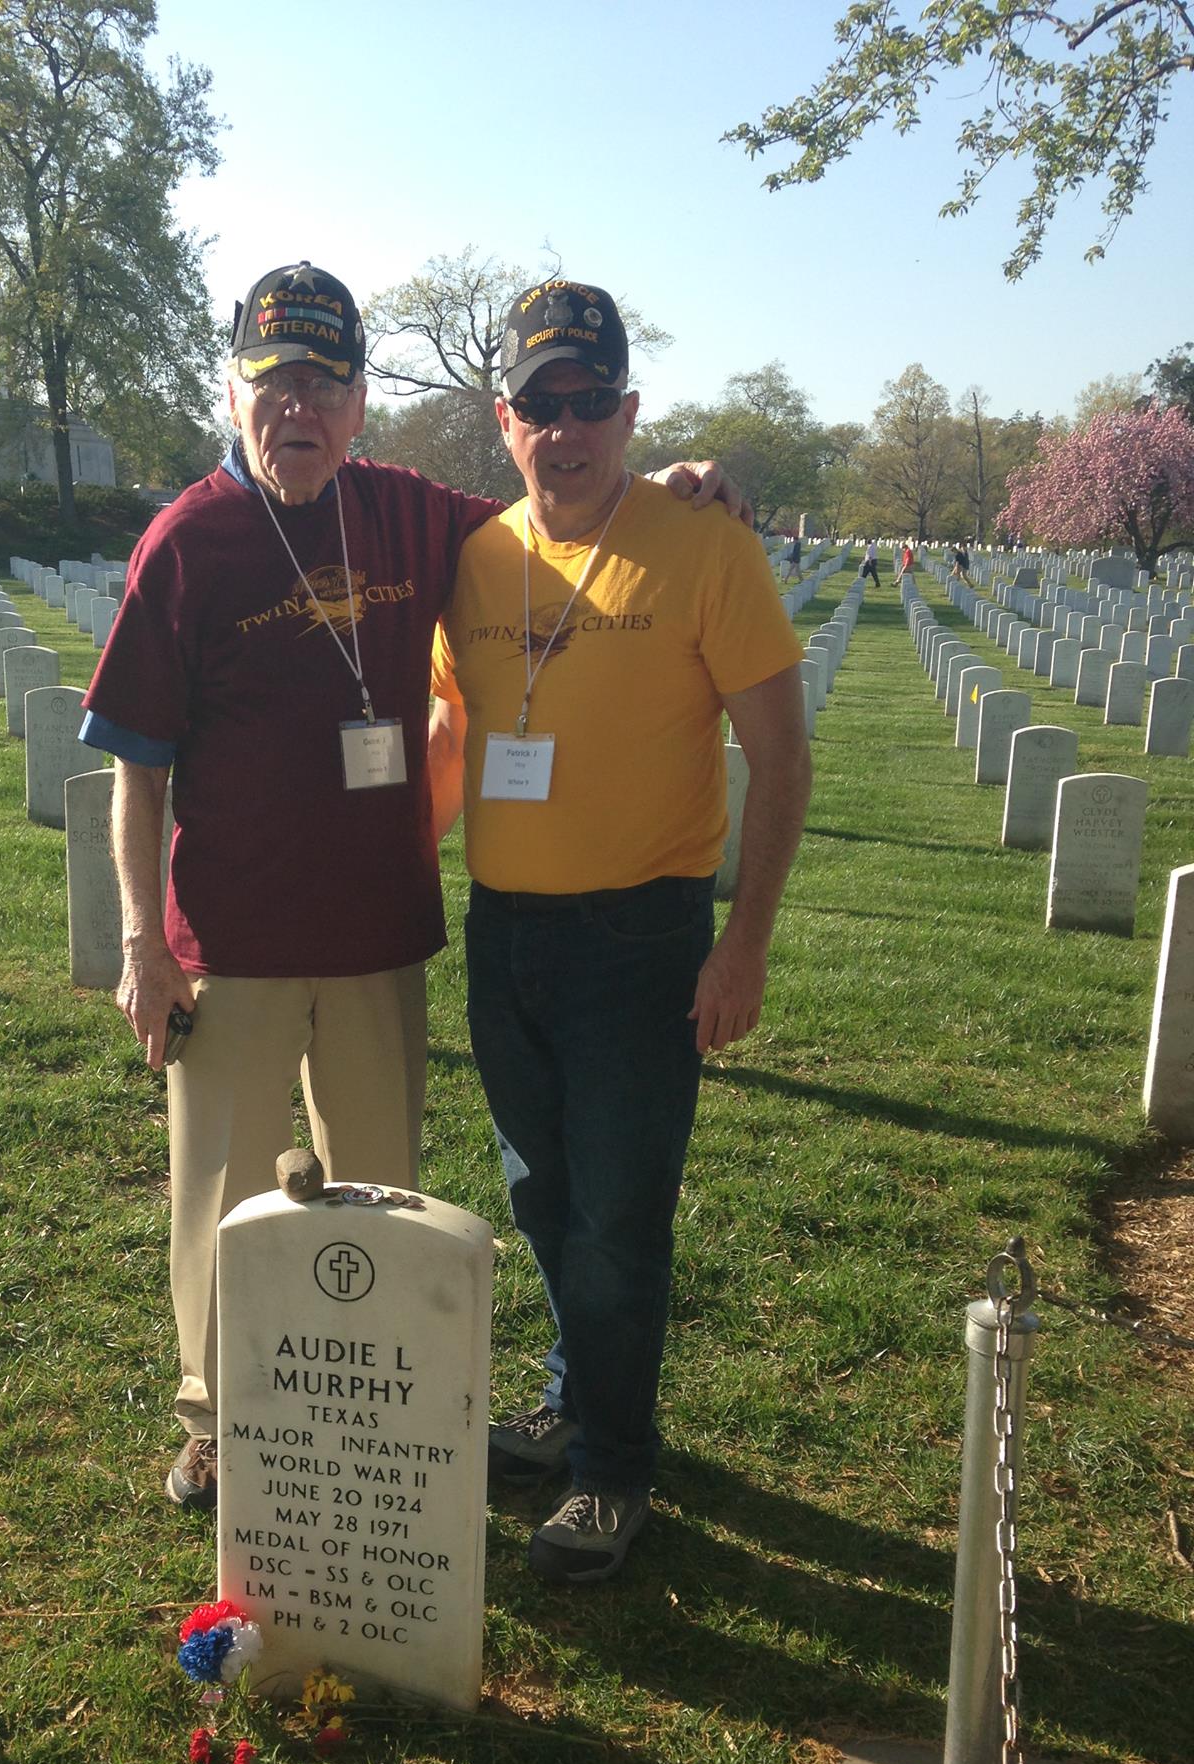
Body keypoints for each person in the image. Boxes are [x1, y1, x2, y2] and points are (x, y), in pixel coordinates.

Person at [77, 261, 744, 1513]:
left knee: (377, 1187)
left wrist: (671, 483)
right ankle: (218, 1416)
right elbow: (139, 772)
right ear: (235, 387)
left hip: (382, 936)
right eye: (275, 380)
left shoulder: (407, 514)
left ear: (362, 401)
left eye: (325, 382)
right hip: (232, 942)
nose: (299, 408)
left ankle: (362, 1400)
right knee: (217, 1193)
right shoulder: (186, 543)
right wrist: (140, 945)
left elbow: (559, 495)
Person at [429, 279, 812, 1585]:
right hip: (507, 937)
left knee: (618, 1220)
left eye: (593, 401)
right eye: (543, 403)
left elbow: (781, 754)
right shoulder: (475, 559)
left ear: (631, 413)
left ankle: (610, 1472)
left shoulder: (704, 542)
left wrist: (742, 942)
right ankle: (575, 1398)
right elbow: (446, 735)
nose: (568, 427)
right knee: (546, 1200)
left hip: (642, 941)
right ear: (505, 419)